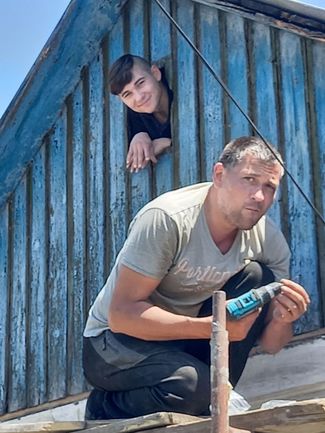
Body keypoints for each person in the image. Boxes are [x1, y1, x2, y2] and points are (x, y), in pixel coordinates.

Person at [82, 136, 310, 420]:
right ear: (219, 175)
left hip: (180, 341)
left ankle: (214, 395)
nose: (259, 196)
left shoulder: (268, 240)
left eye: (269, 187)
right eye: (249, 179)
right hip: (113, 343)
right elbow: (121, 315)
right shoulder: (168, 218)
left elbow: (273, 345)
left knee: (258, 276)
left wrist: (282, 319)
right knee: (193, 388)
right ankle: (104, 406)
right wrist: (214, 327)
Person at [108, 54, 173, 173]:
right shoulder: (135, 117)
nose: (138, 98)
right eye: (127, 94)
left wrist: (168, 143)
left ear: (155, 73)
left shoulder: (182, 95)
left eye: (141, 83)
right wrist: (138, 135)